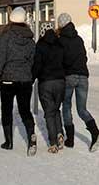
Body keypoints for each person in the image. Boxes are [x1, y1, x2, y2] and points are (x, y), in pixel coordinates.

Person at [0, 6, 37, 156]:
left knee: (6, 110)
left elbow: (1, 57)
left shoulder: (6, 36)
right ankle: (31, 135)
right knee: (25, 110)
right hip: (25, 80)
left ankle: (8, 142)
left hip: (8, 79)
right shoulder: (31, 40)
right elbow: (33, 60)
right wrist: (29, 75)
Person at [57, 13, 99, 152]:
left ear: (60, 26)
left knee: (66, 106)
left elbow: (60, 60)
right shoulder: (79, 39)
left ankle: (70, 139)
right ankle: (95, 132)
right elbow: (84, 58)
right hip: (83, 76)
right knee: (82, 109)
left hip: (69, 77)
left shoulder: (61, 41)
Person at [32, 20, 66, 153]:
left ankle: (53, 143)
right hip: (60, 82)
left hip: (45, 82)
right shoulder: (60, 44)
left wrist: (32, 78)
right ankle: (60, 133)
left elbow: (37, 65)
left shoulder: (40, 45)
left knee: (49, 113)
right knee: (56, 109)